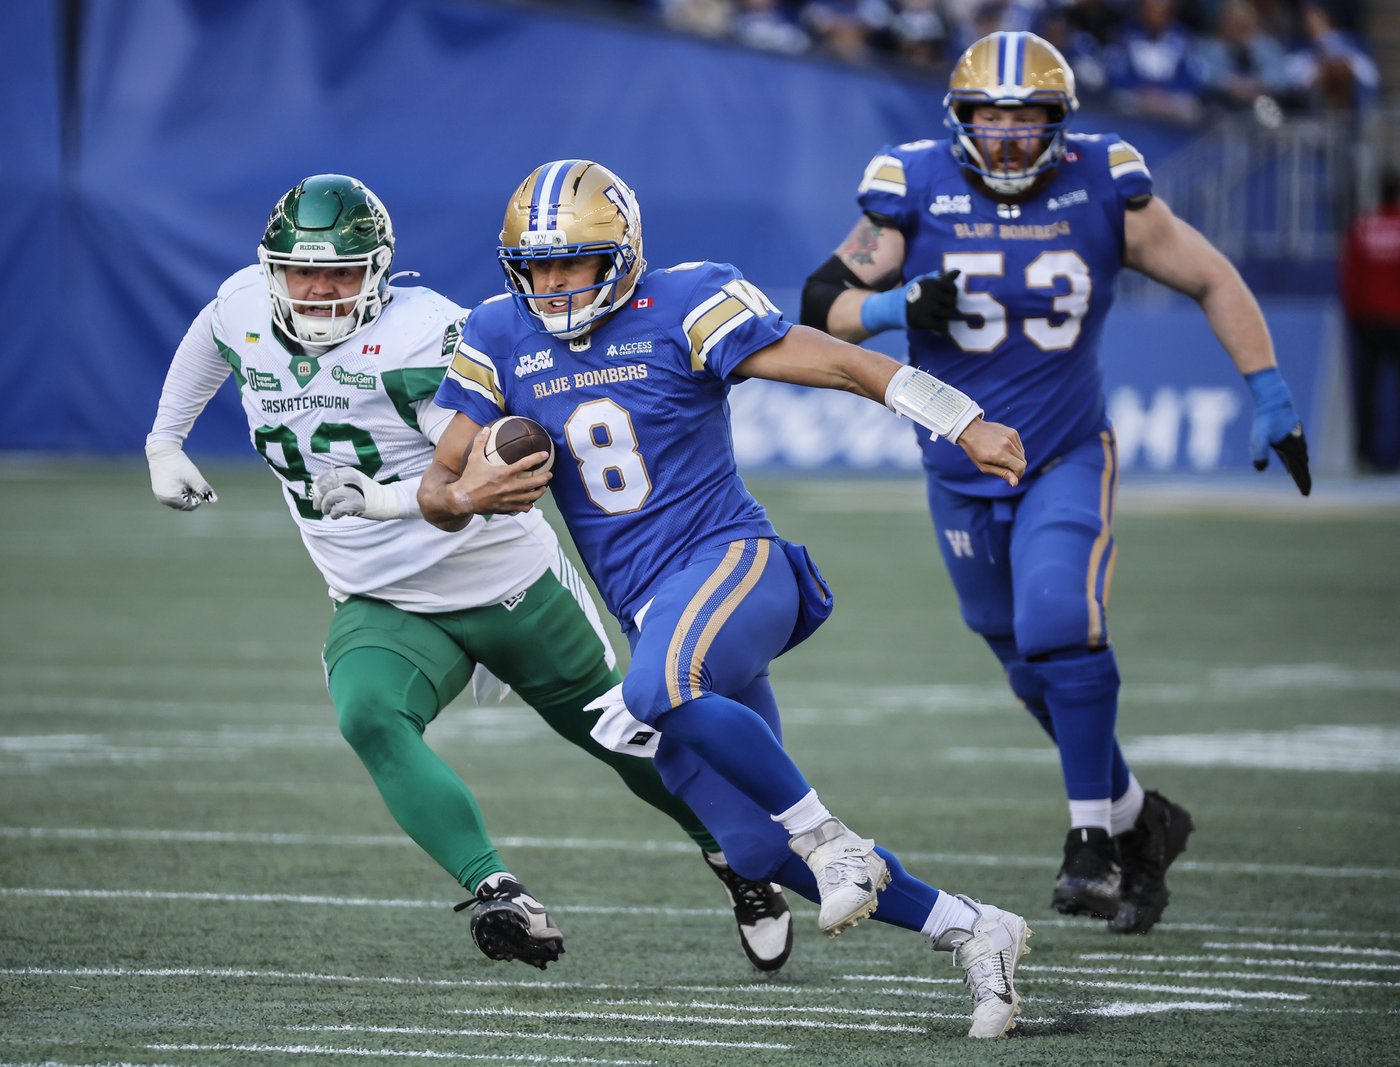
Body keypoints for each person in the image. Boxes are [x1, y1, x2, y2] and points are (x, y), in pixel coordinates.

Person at [418, 158, 1032, 1040]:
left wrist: (959, 417)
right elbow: (440, 486)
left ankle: (833, 838)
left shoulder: (687, 302)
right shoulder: (495, 334)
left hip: (733, 563)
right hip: (653, 608)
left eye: (572, 262)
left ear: (622, 256)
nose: (551, 283)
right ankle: (973, 927)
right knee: (754, 849)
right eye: (536, 264)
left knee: (654, 690)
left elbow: (844, 365)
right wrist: (466, 496)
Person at [144, 173, 799, 975]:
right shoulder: (246, 303)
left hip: (506, 583)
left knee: (631, 742)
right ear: (270, 267)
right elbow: (212, 336)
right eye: (298, 271)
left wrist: (384, 501)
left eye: (341, 274)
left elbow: (487, 482)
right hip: (381, 597)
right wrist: (164, 442)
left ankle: (734, 857)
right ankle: (496, 889)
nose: (317, 289)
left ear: (378, 273)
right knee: (368, 715)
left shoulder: (428, 336)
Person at [799, 30, 1312, 934]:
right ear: (959, 122)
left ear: (1058, 125)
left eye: (1026, 119)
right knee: (1027, 667)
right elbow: (821, 305)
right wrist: (893, 305)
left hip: (1064, 450)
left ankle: (1091, 842)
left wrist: (1268, 390)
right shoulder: (910, 184)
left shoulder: (1103, 184)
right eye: (989, 119)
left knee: (1057, 624)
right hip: (955, 467)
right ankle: (1144, 820)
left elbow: (1211, 275)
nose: (1006, 138)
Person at [1339, 168, 1400, 472]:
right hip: (1396, 319)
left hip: (1368, 321)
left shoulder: (1363, 227)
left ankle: (1363, 454)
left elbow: (1351, 277)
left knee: (1367, 392)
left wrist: (1354, 316)